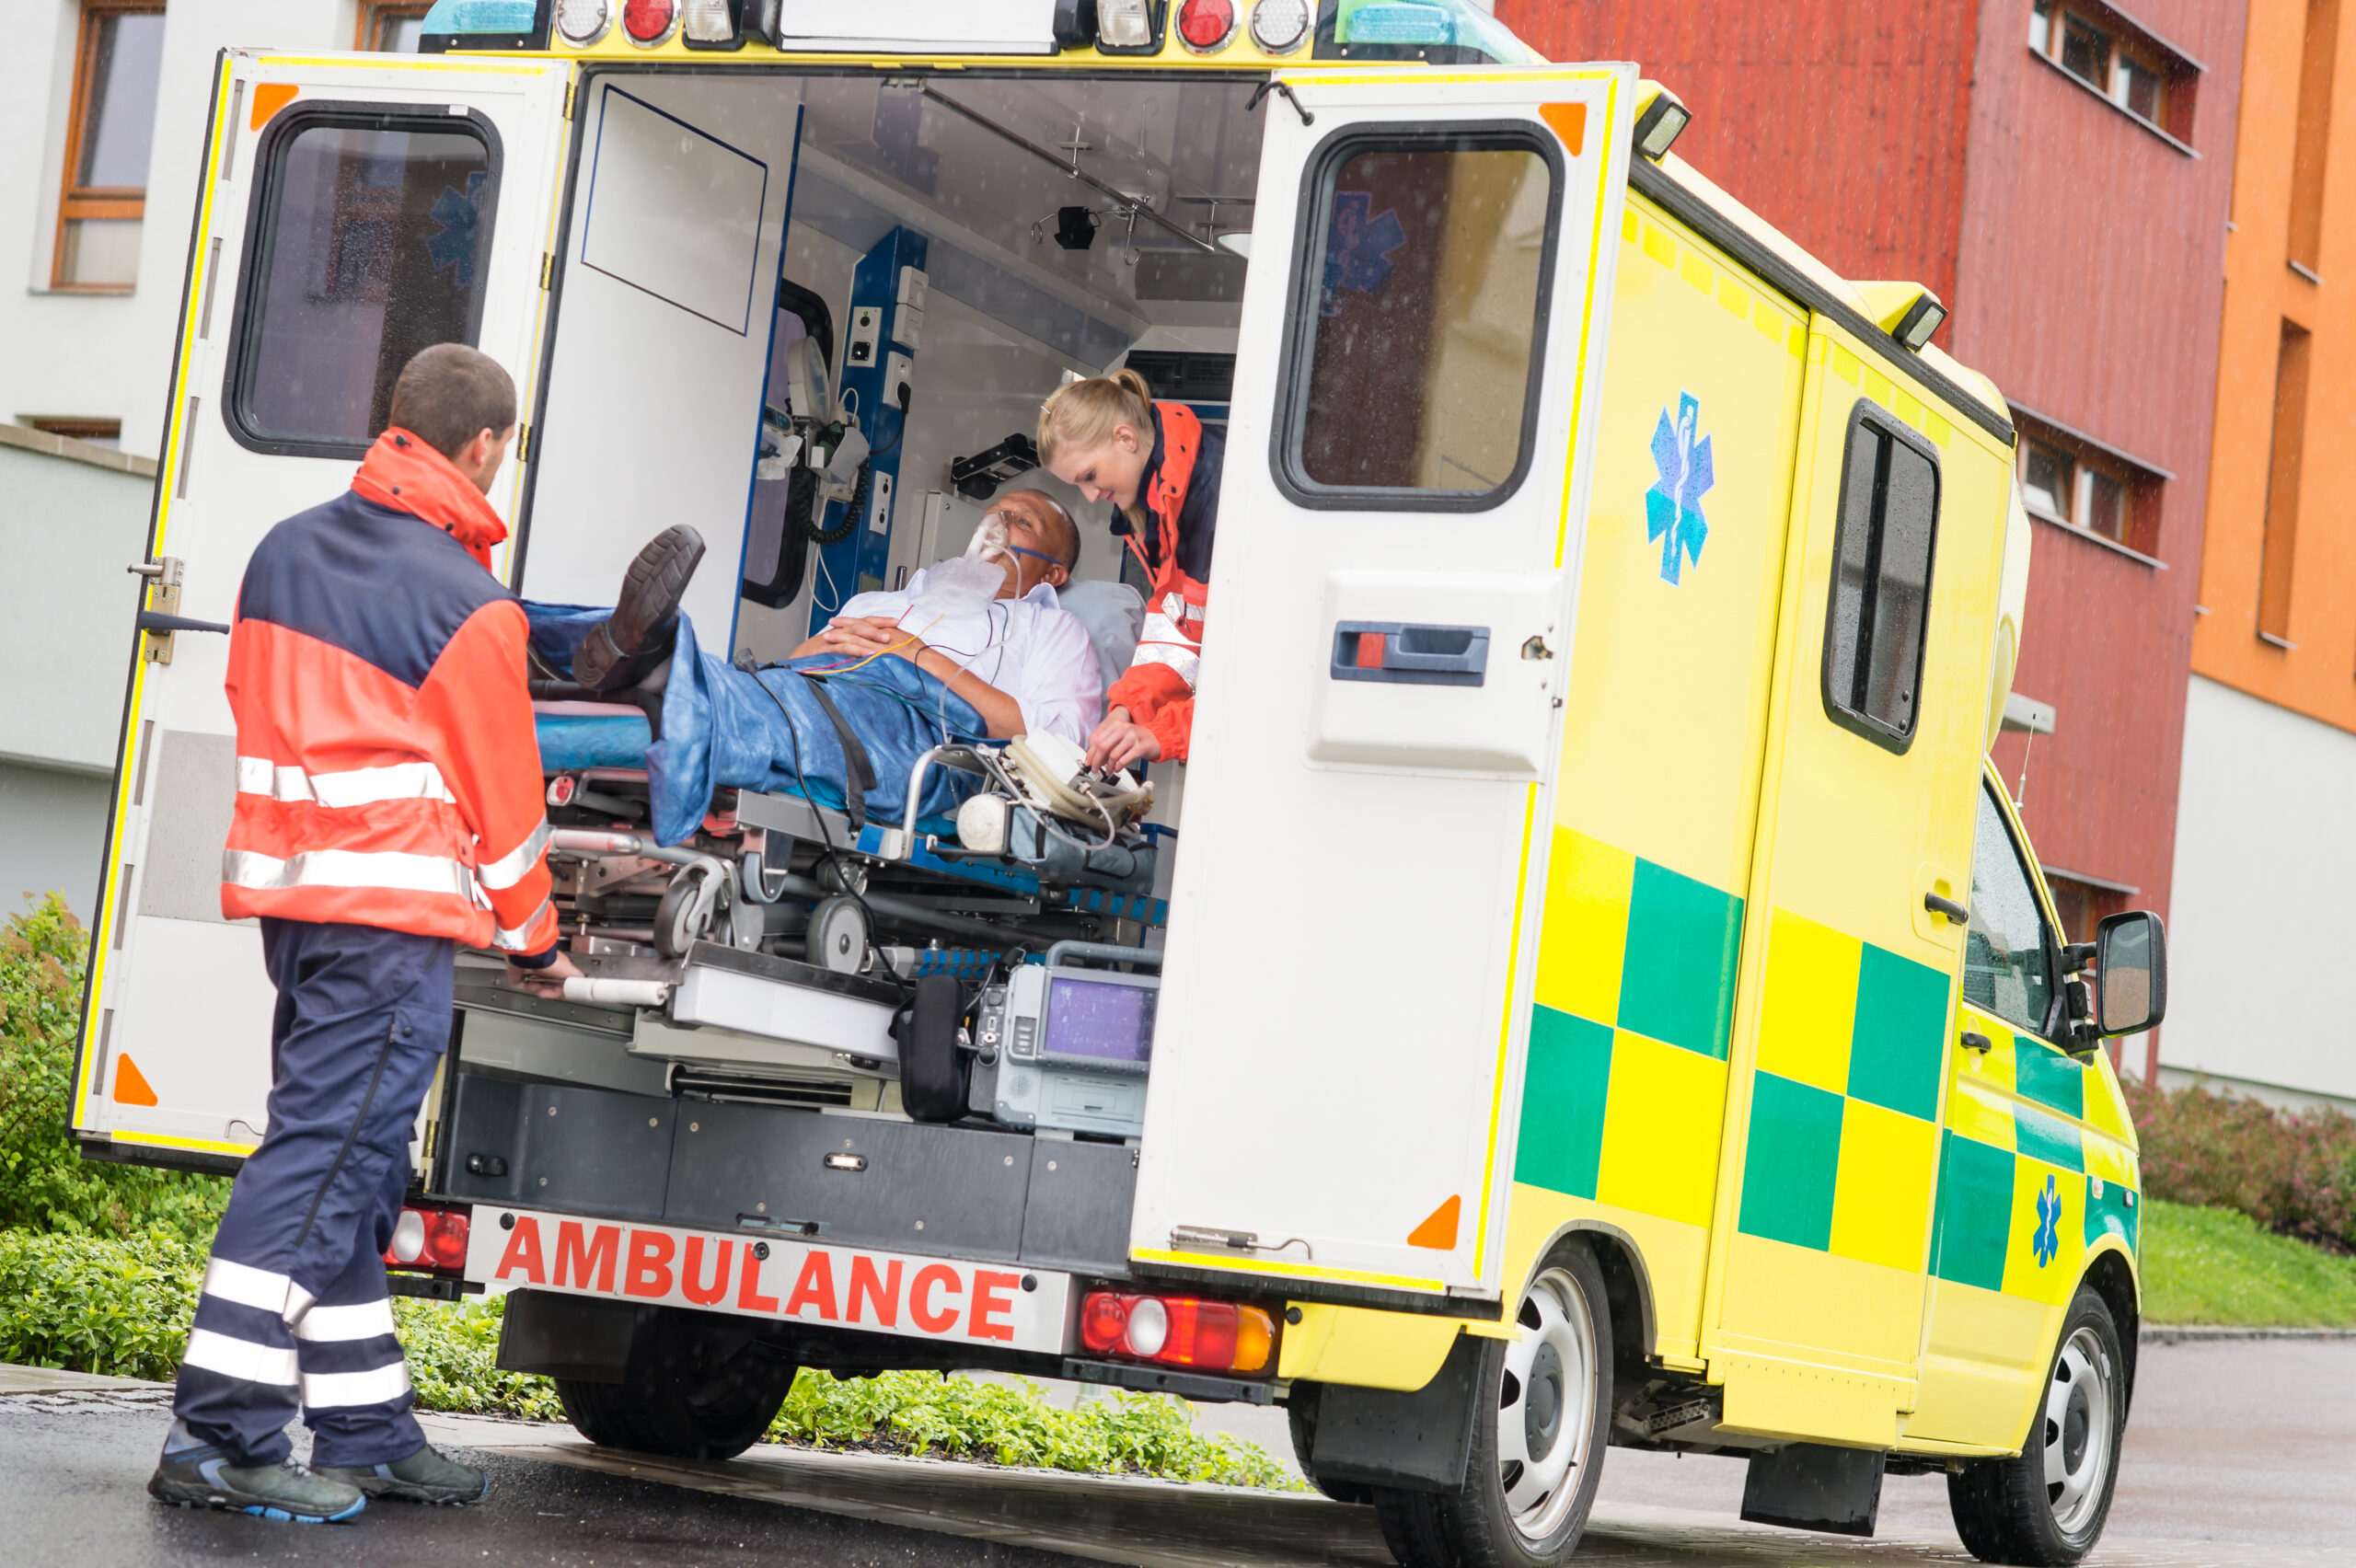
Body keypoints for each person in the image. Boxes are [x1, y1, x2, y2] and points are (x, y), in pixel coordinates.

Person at [151, 344, 583, 1523]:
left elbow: (262, 708)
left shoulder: (281, 551)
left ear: (397, 421)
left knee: (355, 1159)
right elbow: (504, 806)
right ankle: (220, 1434)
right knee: (330, 1159)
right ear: (485, 446)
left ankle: (363, 1425)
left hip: (297, 909)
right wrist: (538, 944)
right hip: (389, 924)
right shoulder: (469, 605)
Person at [789, 488, 1102, 743]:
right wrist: (825, 648)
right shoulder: (874, 602)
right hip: (805, 706)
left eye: (1023, 522)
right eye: (994, 513)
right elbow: (793, 667)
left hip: (896, 737)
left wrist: (917, 657)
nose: (999, 524)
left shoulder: (1050, 629)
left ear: (1052, 573)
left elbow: (1065, 738)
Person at [1040, 368, 1221, 772]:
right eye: (1078, 486)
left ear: (1126, 438)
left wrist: (1165, 734)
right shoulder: (1170, 505)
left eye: (1089, 476)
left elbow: (1263, 665)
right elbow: (1175, 631)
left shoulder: (1213, 499)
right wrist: (1128, 708)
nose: (1090, 496)